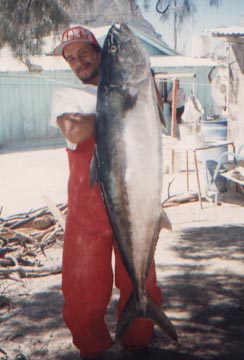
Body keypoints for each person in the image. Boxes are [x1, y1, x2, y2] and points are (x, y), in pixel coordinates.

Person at [51, 25, 162, 360]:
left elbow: (156, 108)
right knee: (83, 286)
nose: (78, 61)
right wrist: (117, 108)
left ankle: (138, 339)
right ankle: (91, 348)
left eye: (84, 52)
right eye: (71, 58)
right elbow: (74, 127)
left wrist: (128, 93)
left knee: (140, 276)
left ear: (99, 52)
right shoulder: (65, 96)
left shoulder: (134, 89)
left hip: (133, 200)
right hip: (88, 211)